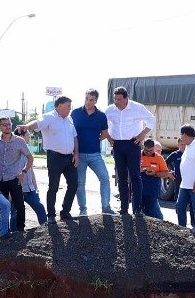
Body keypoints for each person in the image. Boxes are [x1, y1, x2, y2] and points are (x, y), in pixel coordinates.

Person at [20, 96, 78, 220]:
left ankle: (65, 211)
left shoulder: (69, 119)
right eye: (68, 106)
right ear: (60, 106)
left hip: (70, 158)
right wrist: (26, 127)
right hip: (55, 158)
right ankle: (51, 215)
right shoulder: (49, 117)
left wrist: (76, 154)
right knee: (53, 186)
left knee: (74, 184)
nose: (70, 109)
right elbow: (36, 123)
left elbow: (74, 137)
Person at [106, 86, 156, 216]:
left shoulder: (137, 107)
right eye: (115, 99)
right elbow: (103, 124)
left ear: (126, 98)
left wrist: (142, 134)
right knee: (121, 177)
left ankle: (137, 209)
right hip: (117, 145)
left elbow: (152, 119)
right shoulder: (110, 110)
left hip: (133, 144)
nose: (116, 101)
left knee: (135, 176)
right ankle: (123, 209)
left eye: (119, 99)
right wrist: (108, 137)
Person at [70, 90, 112, 215]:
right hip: (79, 154)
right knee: (80, 183)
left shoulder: (101, 115)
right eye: (87, 99)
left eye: (91, 100)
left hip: (95, 154)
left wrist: (95, 139)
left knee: (104, 178)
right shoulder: (75, 113)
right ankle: (83, 210)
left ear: (96, 101)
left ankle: (106, 207)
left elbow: (105, 132)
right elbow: (70, 132)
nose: (88, 102)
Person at [0, 116, 33, 232]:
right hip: (0, 179)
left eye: (9, 124)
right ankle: (4, 232)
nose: (8, 126)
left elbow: (30, 158)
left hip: (15, 178)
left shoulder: (19, 141)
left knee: (19, 205)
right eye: (5, 124)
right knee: (4, 206)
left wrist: (24, 171)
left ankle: (20, 230)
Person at [16, 126, 49, 226]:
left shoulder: (28, 152)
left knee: (40, 208)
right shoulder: (13, 151)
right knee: (15, 214)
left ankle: (45, 229)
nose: (29, 137)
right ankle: (14, 235)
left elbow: (31, 171)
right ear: (21, 136)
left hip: (30, 190)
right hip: (17, 190)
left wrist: (35, 187)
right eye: (27, 135)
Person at [137, 139, 171, 220]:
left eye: (151, 151)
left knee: (153, 210)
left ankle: (159, 224)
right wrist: (141, 170)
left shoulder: (159, 158)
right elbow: (130, 169)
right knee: (138, 212)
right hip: (138, 187)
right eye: (146, 151)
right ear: (143, 147)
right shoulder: (137, 155)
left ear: (153, 148)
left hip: (152, 188)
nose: (148, 153)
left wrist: (155, 173)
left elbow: (166, 173)